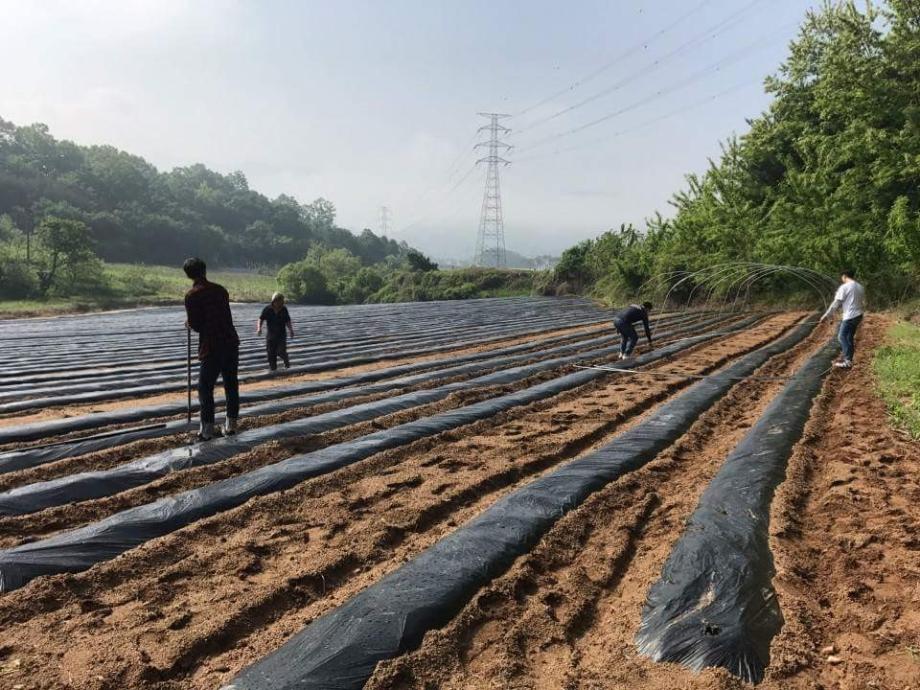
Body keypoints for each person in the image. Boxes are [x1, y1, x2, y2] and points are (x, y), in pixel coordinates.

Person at [183, 257, 240, 440]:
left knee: (205, 388)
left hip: (212, 346)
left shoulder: (192, 295)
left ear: (188, 275)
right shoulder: (221, 290)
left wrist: (189, 324)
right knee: (231, 384)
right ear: (205, 271)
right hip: (230, 342)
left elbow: (197, 325)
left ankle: (207, 430)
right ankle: (231, 426)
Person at [820, 269, 865, 369]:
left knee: (841, 337)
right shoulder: (860, 287)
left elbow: (836, 303)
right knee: (849, 337)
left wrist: (826, 316)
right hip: (858, 315)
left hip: (850, 316)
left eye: (842, 277)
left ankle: (847, 361)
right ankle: (848, 359)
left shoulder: (845, 287)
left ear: (844, 276)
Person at [258, 292, 294, 371]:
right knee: (271, 355)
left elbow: (287, 321)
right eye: (278, 301)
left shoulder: (284, 309)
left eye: (281, 301)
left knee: (280, 351)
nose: (280, 303)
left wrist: (291, 330)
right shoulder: (268, 309)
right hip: (271, 336)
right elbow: (261, 319)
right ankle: (274, 371)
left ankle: (286, 362)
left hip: (281, 335)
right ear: (274, 301)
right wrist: (259, 328)